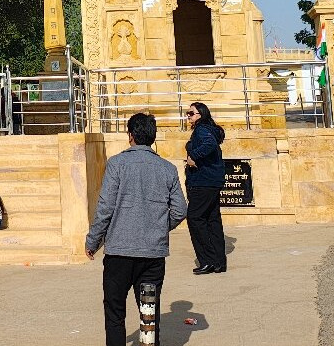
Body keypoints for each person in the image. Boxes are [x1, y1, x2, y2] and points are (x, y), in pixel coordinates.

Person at [85, 112, 187, 346]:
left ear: (130, 135)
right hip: (152, 254)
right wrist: (158, 228)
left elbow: (105, 208)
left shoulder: (117, 164)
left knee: (115, 312)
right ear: (153, 137)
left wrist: (93, 241)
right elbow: (180, 210)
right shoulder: (167, 168)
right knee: (149, 312)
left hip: (119, 254)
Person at [185, 101, 228, 274]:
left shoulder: (201, 130)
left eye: (191, 113)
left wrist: (193, 156)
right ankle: (218, 262)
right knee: (212, 219)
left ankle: (208, 260)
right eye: (188, 113)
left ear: (201, 115)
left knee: (194, 217)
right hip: (212, 181)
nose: (188, 116)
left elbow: (209, 145)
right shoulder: (208, 129)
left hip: (203, 182)